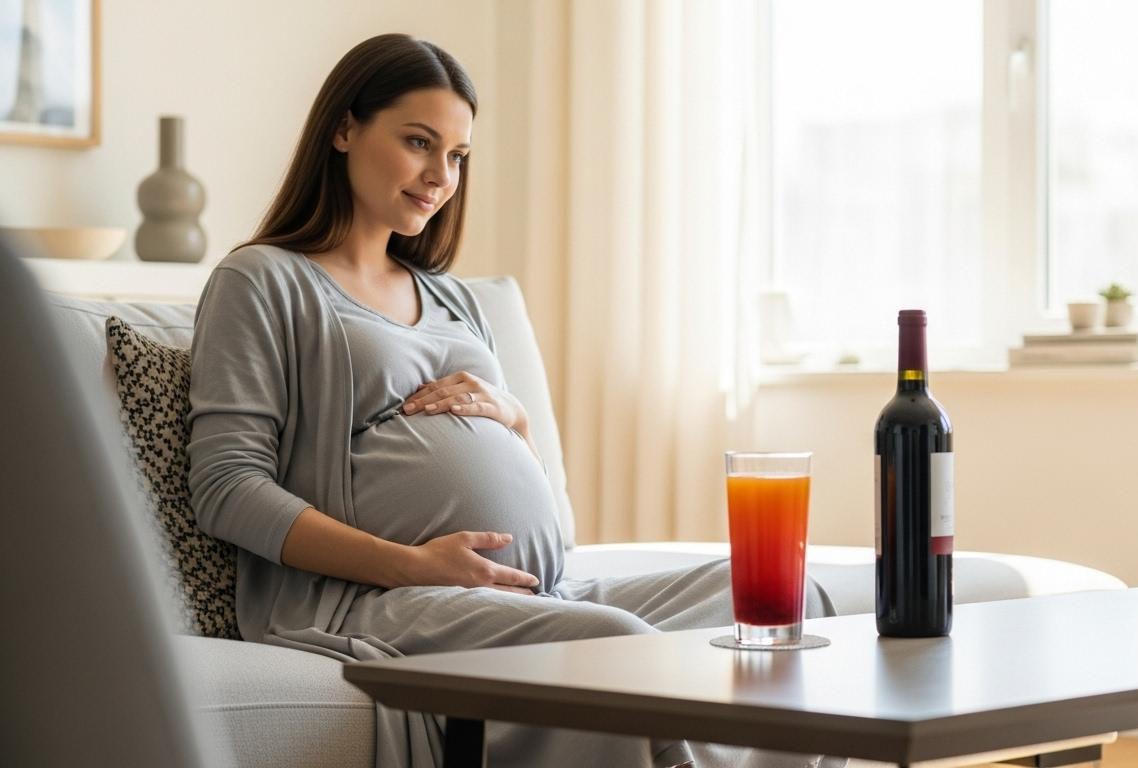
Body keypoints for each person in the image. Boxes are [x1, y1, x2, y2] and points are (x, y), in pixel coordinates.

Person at [185, 33, 839, 768]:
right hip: (376, 597)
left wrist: (517, 422)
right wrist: (409, 564)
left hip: (540, 588)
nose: (441, 175)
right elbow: (226, 487)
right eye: (418, 142)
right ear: (343, 129)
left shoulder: (453, 298)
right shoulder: (264, 280)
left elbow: (536, 507)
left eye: (458, 156)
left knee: (777, 596)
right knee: (617, 650)